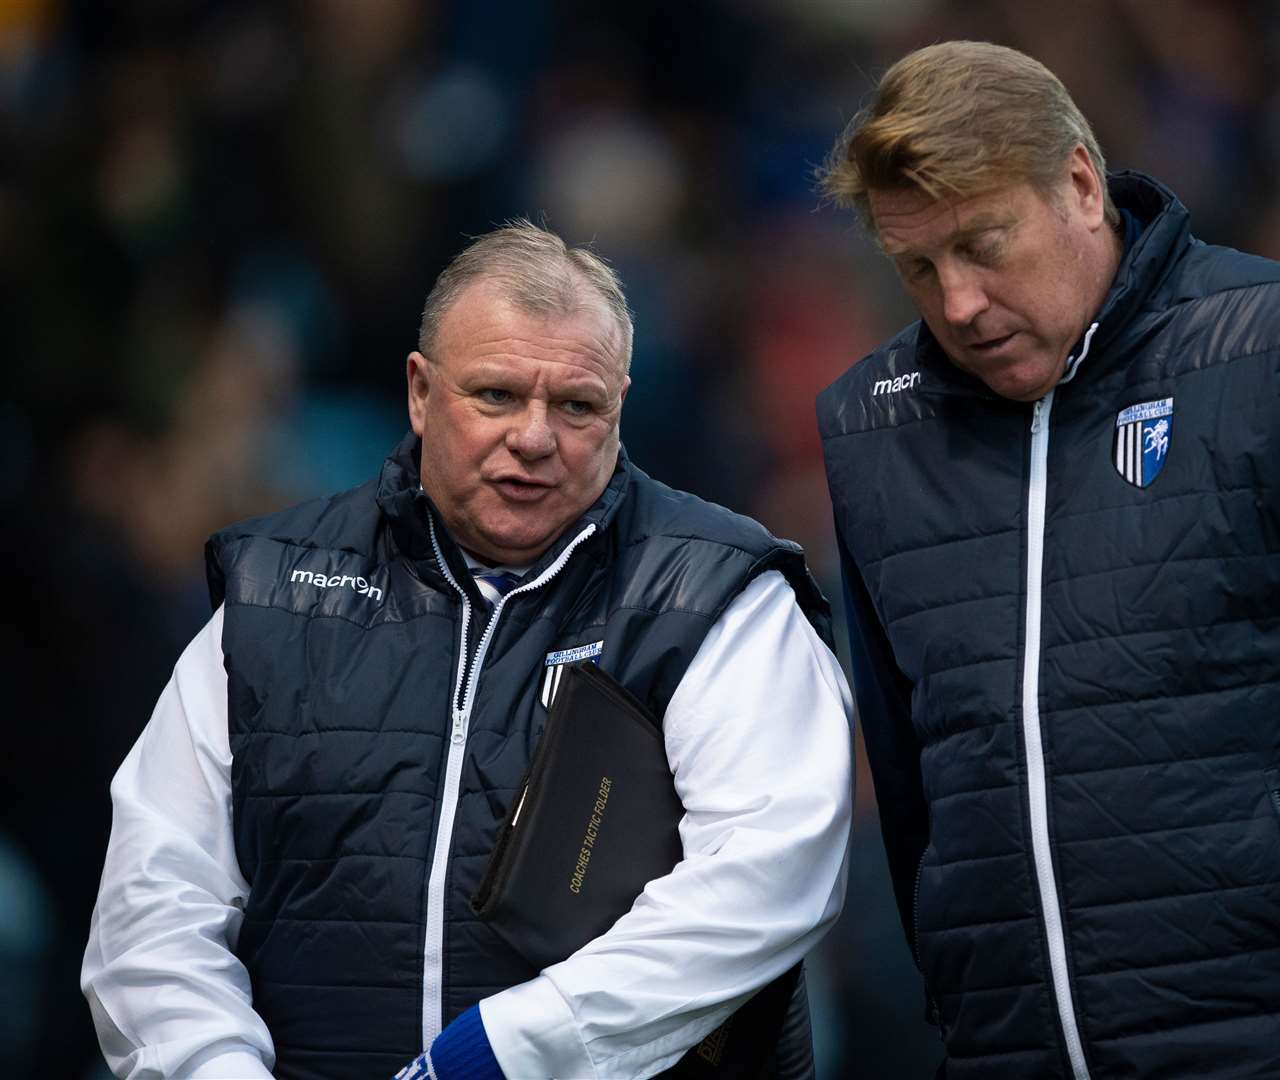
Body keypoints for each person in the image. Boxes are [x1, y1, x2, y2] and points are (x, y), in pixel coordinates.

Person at [815, 41, 1280, 1080]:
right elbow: (916, 787)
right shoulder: (870, 429)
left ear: (1080, 185)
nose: (956, 305)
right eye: (917, 267)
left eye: (983, 245)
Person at [82, 221, 854, 1080]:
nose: (534, 437)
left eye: (576, 406)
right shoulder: (275, 587)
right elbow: (154, 899)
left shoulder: (716, 595)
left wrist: (504, 1054)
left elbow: (765, 879)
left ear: (621, 406)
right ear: (419, 392)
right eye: (494, 395)